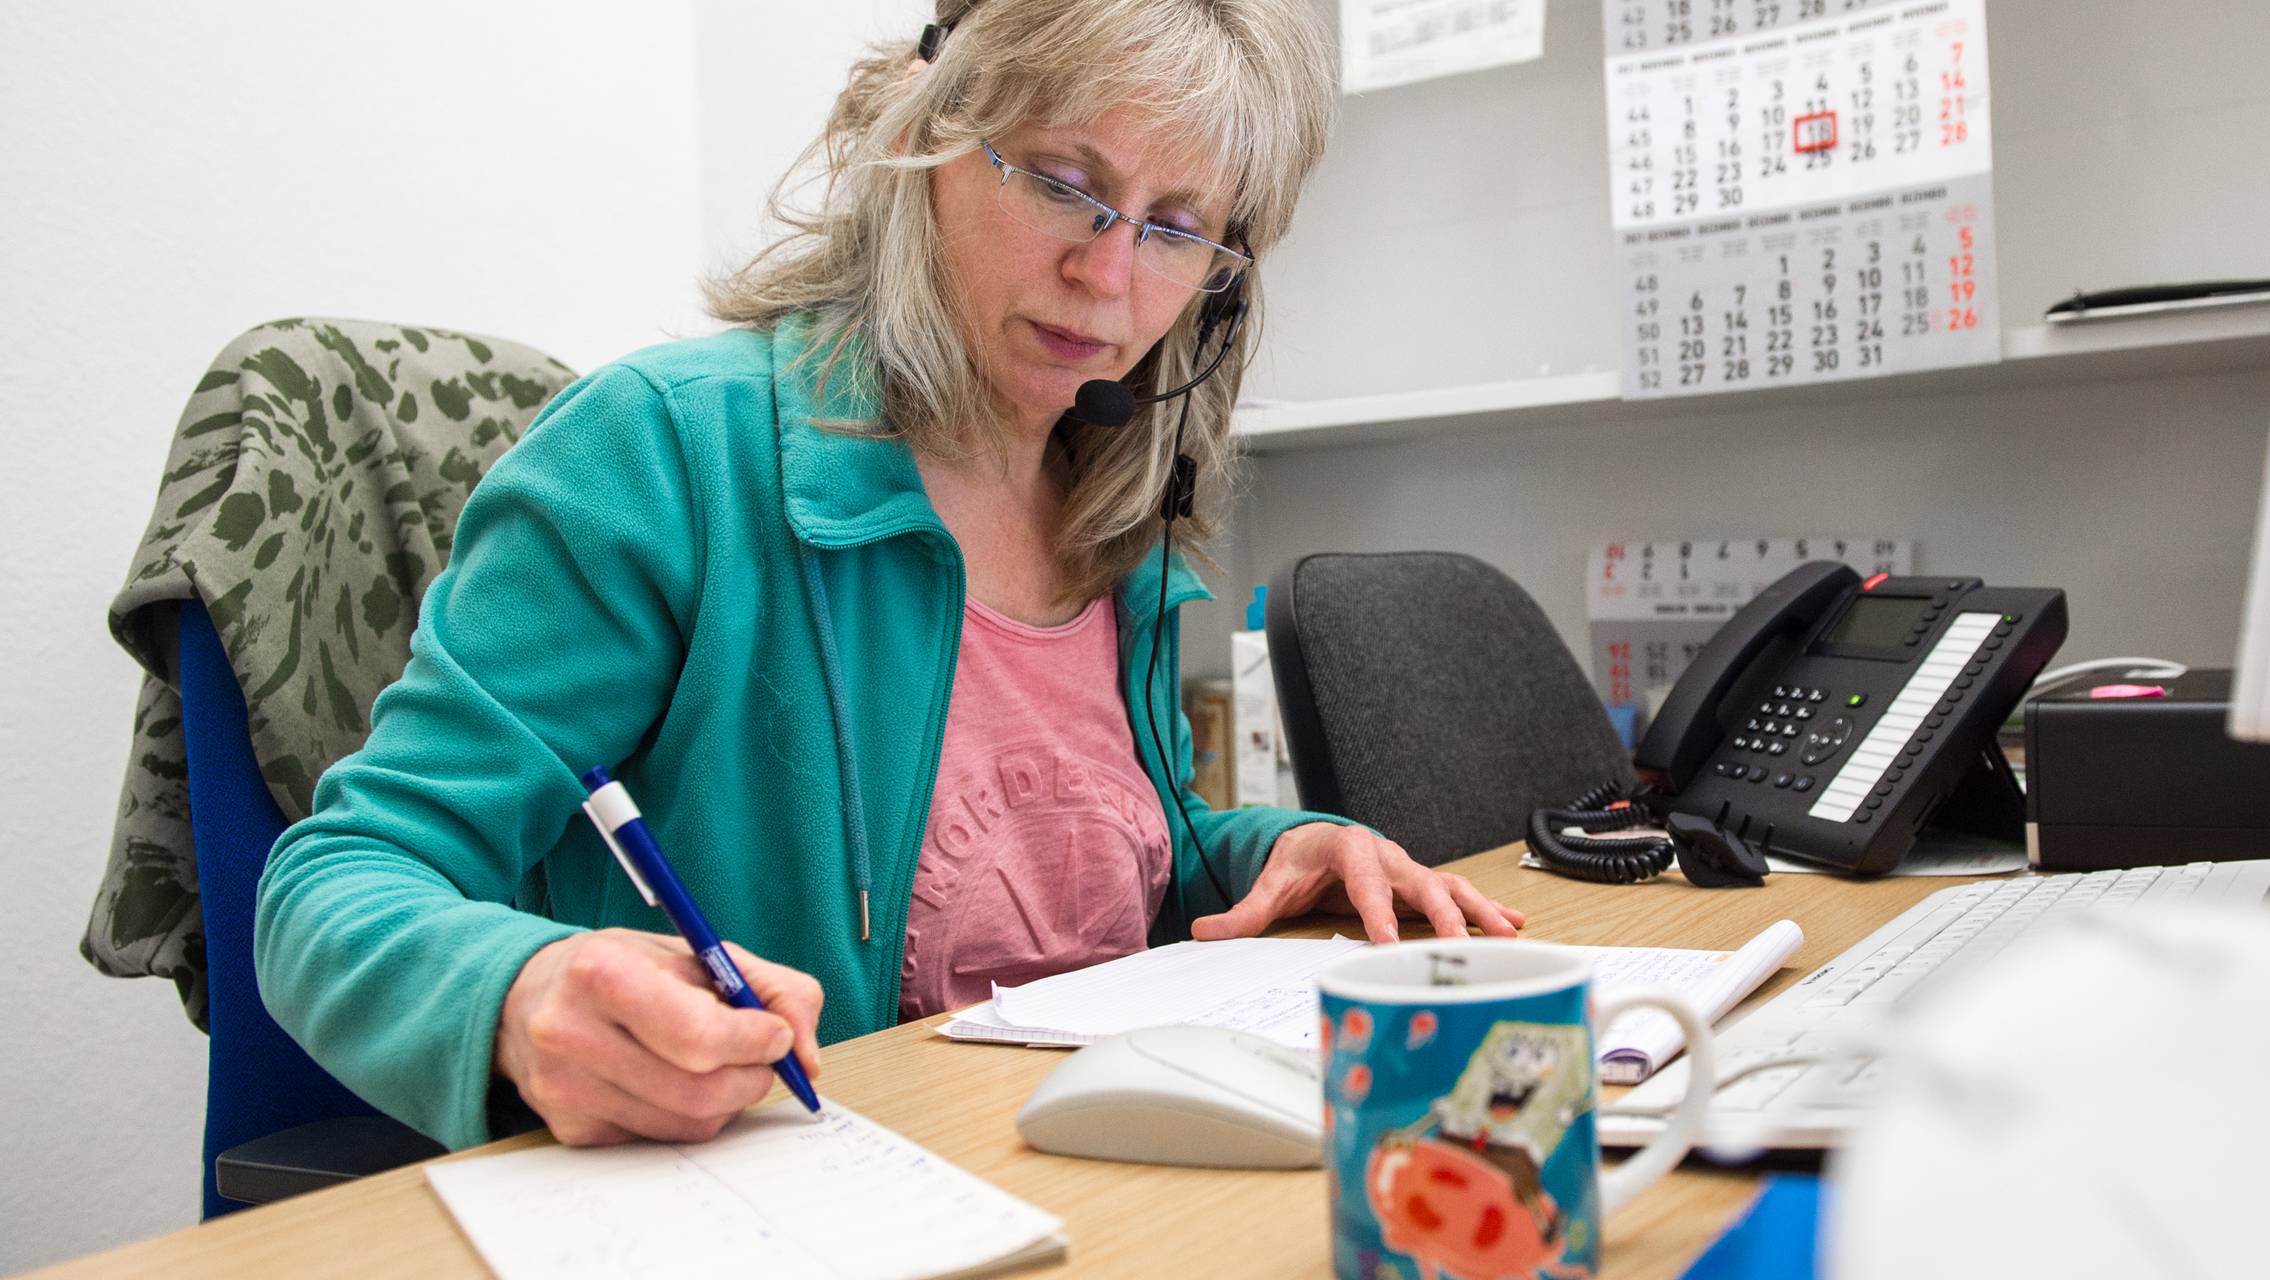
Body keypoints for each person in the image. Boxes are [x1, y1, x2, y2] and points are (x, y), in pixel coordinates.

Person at [256, 0, 1523, 1152]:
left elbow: (1081, 861)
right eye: (1065, 184)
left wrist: (1271, 849)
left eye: (1180, 229)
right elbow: (333, 884)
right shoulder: (664, 453)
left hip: (1090, 1169)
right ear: (929, 138)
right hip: (806, 1192)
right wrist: (516, 998)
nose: (1112, 275)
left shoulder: (1106, 502)